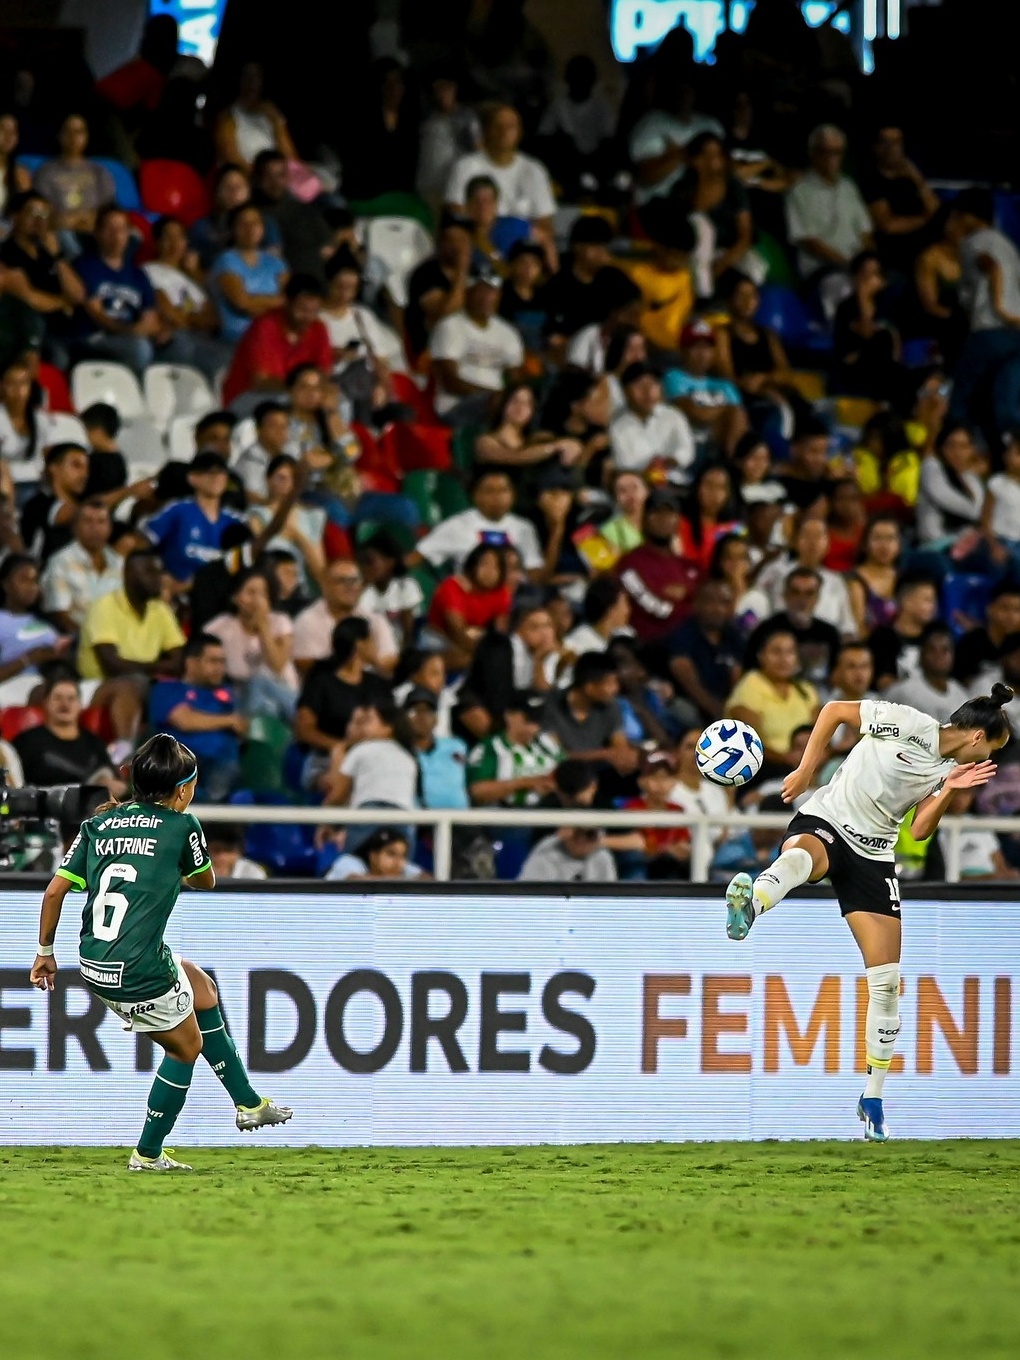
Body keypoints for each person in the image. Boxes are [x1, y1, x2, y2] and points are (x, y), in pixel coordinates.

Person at [722, 686, 1013, 1141]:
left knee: (888, 982)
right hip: (828, 819)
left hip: (875, 855)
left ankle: (872, 1099)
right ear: (978, 738)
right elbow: (835, 711)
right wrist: (804, 771)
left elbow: (918, 828)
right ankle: (752, 903)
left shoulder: (948, 770)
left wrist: (948, 791)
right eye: (990, 753)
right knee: (804, 857)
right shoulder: (906, 721)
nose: (984, 765)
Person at [31, 733, 292, 1172]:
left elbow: (55, 891)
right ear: (183, 789)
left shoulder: (96, 826)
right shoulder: (182, 826)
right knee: (185, 1049)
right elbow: (206, 880)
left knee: (201, 987)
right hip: (137, 969)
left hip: (93, 960)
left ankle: (248, 1103)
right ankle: (147, 1154)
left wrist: (44, 953)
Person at [444, 103, 558, 268]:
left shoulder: (534, 170)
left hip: (520, 254)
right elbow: (456, 215)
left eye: (510, 126)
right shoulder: (465, 166)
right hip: (477, 248)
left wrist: (514, 232)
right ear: (486, 130)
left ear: (519, 132)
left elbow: (545, 225)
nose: (504, 131)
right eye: (498, 126)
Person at [947, 188, 1020, 442]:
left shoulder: (975, 241)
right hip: (1015, 334)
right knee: (1003, 401)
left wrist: (1000, 308)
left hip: (990, 330)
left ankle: (955, 454)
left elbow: (991, 265)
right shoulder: (1008, 244)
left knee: (961, 398)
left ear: (968, 216)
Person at [784, 125, 874, 316]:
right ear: (813, 154)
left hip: (856, 266)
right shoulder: (799, 191)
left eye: (837, 152)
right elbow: (808, 242)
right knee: (842, 287)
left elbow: (865, 233)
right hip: (822, 270)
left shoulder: (848, 187)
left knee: (893, 284)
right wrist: (847, 265)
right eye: (826, 152)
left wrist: (869, 263)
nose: (832, 158)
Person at [149, 632, 246, 801]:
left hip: (224, 765)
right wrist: (229, 720)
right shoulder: (167, 689)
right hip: (182, 765)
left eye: (223, 662)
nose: (220, 668)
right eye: (213, 661)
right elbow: (184, 720)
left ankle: (214, 805)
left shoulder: (226, 694)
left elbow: (243, 727)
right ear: (191, 663)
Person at [428, 265, 526, 424]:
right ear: (467, 293)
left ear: (499, 295)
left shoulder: (508, 333)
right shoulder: (450, 326)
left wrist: (510, 400)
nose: (486, 297)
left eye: (491, 292)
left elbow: (515, 380)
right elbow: (449, 382)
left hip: (498, 404)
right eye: (480, 291)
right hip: (456, 405)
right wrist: (493, 397)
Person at [221, 275, 332, 409]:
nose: (307, 317)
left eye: (313, 311)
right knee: (285, 401)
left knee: (336, 399)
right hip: (249, 396)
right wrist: (300, 391)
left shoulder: (318, 328)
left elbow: (323, 374)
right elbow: (261, 382)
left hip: (297, 394)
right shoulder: (265, 326)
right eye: (302, 310)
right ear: (287, 303)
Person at [140, 451, 247, 589]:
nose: (216, 478)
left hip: (216, 598)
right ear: (192, 478)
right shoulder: (178, 509)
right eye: (209, 472)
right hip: (173, 594)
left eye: (221, 473)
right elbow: (142, 543)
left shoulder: (236, 522)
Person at [409, 469, 543, 578]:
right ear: (476, 496)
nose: (498, 497)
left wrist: (556, 529)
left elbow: (534, 573)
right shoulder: (457, 525)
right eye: (490, 491)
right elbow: (418, 555)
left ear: (513, 495)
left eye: (504, 490)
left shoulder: (524, 527)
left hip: (517, 600)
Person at [144, 216, 229, 384]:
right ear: (157, 242)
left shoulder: (190, 278)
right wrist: (193, 319)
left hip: (200, 339)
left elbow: (213, 319)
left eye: (180, 237)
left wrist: (186, 318)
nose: (175, 243)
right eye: (168, 237)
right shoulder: (148, 271)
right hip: (176, 340)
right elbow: (166, 310)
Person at [671, 131, 756, 296]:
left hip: (729, 252)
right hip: (694, 253)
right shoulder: (682, 188)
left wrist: (721, 264)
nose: (714, 159)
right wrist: (703, 176)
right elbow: (690, 221)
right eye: (707, 154)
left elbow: (744, 235)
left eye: (717, 153)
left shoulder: (733, 186)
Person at [0, 191, 85, 355]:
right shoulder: (6, 253)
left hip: (69, 329)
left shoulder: (50, 252)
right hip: (34, 334)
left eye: (44, 214)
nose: (39, 220)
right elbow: (30, 299)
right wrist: (65, 303)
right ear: (15, 216)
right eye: (33, 213)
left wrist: (57, 256)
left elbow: (78, 295)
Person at [726, 629, 821, 770]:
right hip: (764, 767)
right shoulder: (750, 686)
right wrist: (785, 758)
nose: (783, 659)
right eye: (776, 652)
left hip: (807, 767)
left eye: (789, 652)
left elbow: (822, 735)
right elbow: (749, 743)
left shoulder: (806, 690)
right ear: (761, 656)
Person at [615, 489, 701, 644]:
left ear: (678, 522)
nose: (663, 519)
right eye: (656, 512)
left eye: (669, 513)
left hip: (689, 646)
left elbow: (707, 602)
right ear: (644, 520)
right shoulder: (629, 564)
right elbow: (657, 608)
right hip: (649, 645)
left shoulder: (690, 567)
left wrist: (685, 594)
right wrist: (689, 601)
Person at [13, 674, 121, 793]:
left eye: (71, 699)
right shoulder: (27, 741)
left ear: (80, 705)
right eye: (58, 698)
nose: (65, 704)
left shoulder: (94, 743)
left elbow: (115, 781)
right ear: (46, 703)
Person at [292, 557, 398, 677]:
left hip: (371, 689)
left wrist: (372, 659)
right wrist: (352, 659)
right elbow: (304, 664)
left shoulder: (375, 620)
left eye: (354, 580)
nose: (350, 586)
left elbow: (391, 662)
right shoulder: (306, 621)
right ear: (326, 586)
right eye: (342, 581)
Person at [861, 126, 939, 277]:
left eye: (897, 142)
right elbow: (888, 225)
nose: (893, 149)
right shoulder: (872, 181)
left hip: (927, 244)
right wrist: (925, 220)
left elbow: (936, 211)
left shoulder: (911, 177)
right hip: (896, 249)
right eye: (886, 143)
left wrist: (918, 180)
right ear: (876, 148)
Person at [540, 651, 636, 775]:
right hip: (562, 775)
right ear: (589, 687)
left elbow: (619, 745)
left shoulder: (611, 706)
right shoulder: (551, 706)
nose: (616, 689)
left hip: (597, 775)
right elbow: (555, 755)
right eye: (610, 683)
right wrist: (604, 754)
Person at [744, 568, 842, 688]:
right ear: (785, 595)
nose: (802, 600)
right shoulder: (766, 630)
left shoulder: (829, 633)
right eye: (796, 592)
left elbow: (837, 675)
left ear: (817, 598)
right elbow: (752, 672)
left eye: (809, 593)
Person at [663, 320, 748, 455]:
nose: (702, 354)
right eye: (696, 347)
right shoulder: (674, 377)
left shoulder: (725, 385)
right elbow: (695, 414)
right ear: (683, 351)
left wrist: (718, 412)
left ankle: (732, 463)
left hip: (719, 444)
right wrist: (725, 408)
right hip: (688, 444)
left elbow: (740, 420)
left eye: (707, 348)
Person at [209, 204, 289, 346]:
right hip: (237, 337)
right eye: (243, 223)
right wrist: (274, 302)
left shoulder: (276, 263)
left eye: (255, 222)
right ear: (233, 228)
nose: (250, 228)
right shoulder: (227, 260)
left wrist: (254, 300)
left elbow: (288, 301)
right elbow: (242, 302)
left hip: (272, 336)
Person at [41, 498, 123, 633]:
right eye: (88, 521)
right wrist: (89, 640)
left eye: (101, 522)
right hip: (79, 643)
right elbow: (59, 614)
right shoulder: (60, 562)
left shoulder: (120, 563)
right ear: (75, 528)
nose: (95, 528)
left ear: (110, 527)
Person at [466, 690, 560, 807]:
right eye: (528, 717)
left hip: (548, 813)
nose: (534, 724)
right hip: (505, 816)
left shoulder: (548, 745)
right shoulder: (490, 748)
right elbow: (477, 792)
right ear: (509, 716)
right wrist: (524, 783)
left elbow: (569, 772)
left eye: (538, 717)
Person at [832, 252, 904, 402]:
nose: (869, 279)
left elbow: (892, 340)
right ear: (855, 277)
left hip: (883, 368)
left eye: (875, 274)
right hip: (854, 368)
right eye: (865, 274)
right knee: (879, 340)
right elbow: (866, 333)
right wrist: (863, 296)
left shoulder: (887, 304)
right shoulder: (846, 308)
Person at [426, 541, 511, 668]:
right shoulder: (451, 587)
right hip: (439, 639)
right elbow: (457, 632)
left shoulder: (501, 591)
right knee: (472, 660)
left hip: (475, 641)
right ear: (473, 565)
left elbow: (500, 634)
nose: (490, 572)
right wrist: (487, 654)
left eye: (496, 567)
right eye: (485, 564)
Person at [668, 580, 742, 724]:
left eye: (724, 603)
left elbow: (738, 673)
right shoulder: (684, 633)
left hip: (725, 705)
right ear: (697, 604)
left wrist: (732, 708)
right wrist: (717, 710)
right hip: (692, 703)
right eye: (711, 601)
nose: (718, 609)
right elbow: (686, 677)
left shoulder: (733, 635)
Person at [404, 213, 474, 359]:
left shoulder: (478, 272)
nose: (456, 247)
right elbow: (446, 315)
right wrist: (462, 270)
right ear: (440, 242)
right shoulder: (425, 274)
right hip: (433, 352)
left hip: (470, 348)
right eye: (450, 240)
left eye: (461, 240)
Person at [473, 383, 582, 478]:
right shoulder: (485, 441)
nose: (520, 407)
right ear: (504, 403)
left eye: (527, 403)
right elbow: (514, 457)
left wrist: (571, 444)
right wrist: (553, 447)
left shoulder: (535, 439)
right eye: (515, 401)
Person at [609, 362, 695, 480]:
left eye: (653, 384)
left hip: (673, 481)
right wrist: (650, 468)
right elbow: (623, 463)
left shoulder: (673, 415)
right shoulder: (617, 425)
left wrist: (671, 460)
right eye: (639, 385)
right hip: (638, 484)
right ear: (625, 391)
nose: (647, 391)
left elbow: (687, 449)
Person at [33, 114, 115, 235]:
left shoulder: (99, 171)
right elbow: (40, 209)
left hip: (94, 230)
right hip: (60, 231)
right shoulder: (45, 172)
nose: (73, 137)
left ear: (86, 136)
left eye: (79, 132)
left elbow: (108, 208)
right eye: (68, 131)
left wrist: (91, 220)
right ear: (59, 135)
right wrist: (62, 220)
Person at [417, 65, 482, 214]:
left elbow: (477, 149)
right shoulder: (426, 118)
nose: (442, 93)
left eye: (446, 88)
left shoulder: (467, 118)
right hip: (427, 186)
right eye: (438, 88)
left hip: (454, 188)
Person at [213, 62, 299, 175]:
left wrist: (278, 122)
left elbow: (291, 158)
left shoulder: (271, 114)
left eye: (256, 76)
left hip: (277, 178)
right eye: (246, 76)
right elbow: (232, 159)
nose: (251, 82)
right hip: (249, 178)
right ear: (239, 80)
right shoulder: (228, 116)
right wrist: (264, 178)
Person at [0, 553, 69, 681]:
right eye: (23, 580)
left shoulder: (46, 621)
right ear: (5, 584)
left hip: (51, 683)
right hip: (12, 688)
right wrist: (29, 659)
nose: (31, 587)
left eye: (35, 581)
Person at [20, 441, 90, 563]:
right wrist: (127, 492)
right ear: (54, 468)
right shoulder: (39, 504)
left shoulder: (83, 501)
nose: (84, 474)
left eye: (86, 468)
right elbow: (82, 514)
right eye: (76, 466)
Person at [884, 624, 970, 724]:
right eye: (932, 649)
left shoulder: (962, 696)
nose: (938, 655)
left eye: (945, 650)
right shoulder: (903, 691)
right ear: (921, 654)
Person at [916, 422, 984, 547]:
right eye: (951, 446)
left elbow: (979, 509)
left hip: (966, 544)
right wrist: (987, 516)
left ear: (972, 450)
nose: (958, 452)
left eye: (964, 446)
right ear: (941, 447)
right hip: (936, 545)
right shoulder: (931, 467)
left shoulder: (971, 477)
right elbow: (946, 498)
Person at [868, 575, 941, 689]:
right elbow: (883, 682)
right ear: (906, 602)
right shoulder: (882, 637)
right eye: (927, 600)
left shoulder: (936, 636)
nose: (933, 606)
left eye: (933, 600)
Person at [404, 686, 469, 811]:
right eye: (414, 711)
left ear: (436, 719)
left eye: (428, 711)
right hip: (420, 821)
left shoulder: (456, 746)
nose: (421, 716)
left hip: (460, 820)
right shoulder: (399, 752)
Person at [357, 530, 423, 648]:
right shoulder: (360, 591)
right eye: (362, 562)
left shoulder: (405, 587)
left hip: (400, 649)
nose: (365, 567)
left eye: (370, 561)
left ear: (390, 562)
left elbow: (409, 633)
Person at [0, 355, 56, 490]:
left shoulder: (40, 418)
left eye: (24, 383)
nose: (19, 390)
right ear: (2, 385)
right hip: (7, 484)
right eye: (12, 383)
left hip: (37, 482)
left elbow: (47, 456)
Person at [954, 583, 1020, 689]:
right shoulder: (971, 643)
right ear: (990, 609)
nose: (1011, 616)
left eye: (1017, 610)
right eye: (1005, 608)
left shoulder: (1017, 649)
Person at [189, 163, 252, 271]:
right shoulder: (201, 227)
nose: (234, 192)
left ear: (249, 191)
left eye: (239, 186)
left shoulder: (263, 223)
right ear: (217, 192)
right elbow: (191, 265)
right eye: (228, 187)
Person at [847, 515, 902, 635]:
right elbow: (858, 630)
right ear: (865, 544)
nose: (884, 545)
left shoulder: (905, 579)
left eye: (890, 538)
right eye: (877, 538)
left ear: (899, 545)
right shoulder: (856, 581)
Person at [518, 826, 617, 882]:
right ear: (564, 832)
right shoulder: (548, 850)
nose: (582, 839)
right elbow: (530, 896)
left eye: (590, 835)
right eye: (577, 833)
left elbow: (610, 900)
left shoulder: (603, 857)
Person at [325, 826, 425, 882]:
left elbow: (429, 880)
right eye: (391, 854)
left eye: (403, 855)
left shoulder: (400, 865)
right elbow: (356, 882)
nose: (398, 861)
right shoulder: (348, 861)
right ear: (373, 856)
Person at [563, 576, 632, 657]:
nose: (628, 610)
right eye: (625, 603)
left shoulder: (626, 635)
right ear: (611, 609)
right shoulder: (575, 645)